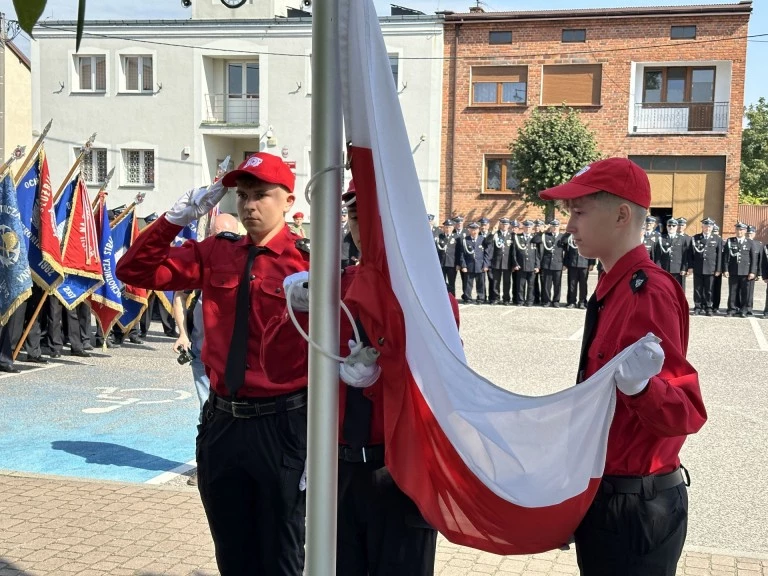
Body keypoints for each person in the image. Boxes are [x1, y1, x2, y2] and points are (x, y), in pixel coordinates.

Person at [116, 153, 310, 576]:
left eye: (262, 195)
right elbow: (133, 269)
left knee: (283, 551)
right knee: (232, 550)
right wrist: (174, 220)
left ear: (288, 201)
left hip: (285, 425)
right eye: (242, 195)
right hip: (223, 422)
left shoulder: (309, 264)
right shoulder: (214, 254)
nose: (249, 205)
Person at [264, 181, 451, 576]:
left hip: (401, 471)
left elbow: (442, 380)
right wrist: (291, 312)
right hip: (339, 470)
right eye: (354, 215)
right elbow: (278, 367)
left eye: (373, 215)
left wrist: (383, 378)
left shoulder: (427, 294)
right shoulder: (333, 287)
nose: (362, 226)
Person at [540, 157, 707, 576]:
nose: (570, 226)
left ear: (620, 214)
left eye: (579, 212)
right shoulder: (613, 289)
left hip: (635, 509)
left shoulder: (645, 293)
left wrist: (642, 389)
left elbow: (684, 413)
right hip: (608, 495)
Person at [688, 217, 721, 316]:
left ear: (712, 228)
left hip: (711, 268)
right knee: (697, 289)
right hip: (698, 268)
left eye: (710, 227)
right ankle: (698, 307)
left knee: (709, 289)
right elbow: (690, 254)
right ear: (702, 227)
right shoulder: (695, 238)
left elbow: (719, 255)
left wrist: (718, 269)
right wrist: (690, 267)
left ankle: (708, 307)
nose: (708, 228)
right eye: (706, 226)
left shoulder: (717, 239)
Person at [723, 222, 757, 318]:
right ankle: (732, 309)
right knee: (733, 291)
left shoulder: (750, 242)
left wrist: (752, 272)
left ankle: (744, 310)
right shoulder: (730, 241)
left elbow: (753, 258)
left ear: (745, 231)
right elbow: (726, 257)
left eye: (741, 230)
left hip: (746, 272)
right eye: (737, 229)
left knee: (745, 292)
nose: (739, 231)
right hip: (733, 271)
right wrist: (725, 269)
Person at [458, 222, 489, 304]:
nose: (474, 231)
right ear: (469, 230)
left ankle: (481, 298)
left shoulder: (482, 239)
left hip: (480, 266)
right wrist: (463, 266)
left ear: (478, 230)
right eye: (472, 229)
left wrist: (486, 265)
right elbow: (462, 255)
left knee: (481, 284)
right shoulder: (465, 240)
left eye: (476, 229)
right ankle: (468, 298)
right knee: (468, 284)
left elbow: (486, 254)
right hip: (469, 266)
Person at [563, 231, 594, 309]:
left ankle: (582, 302)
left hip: (584, 263)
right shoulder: (570, 237)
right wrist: (565, 263)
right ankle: (571, 302)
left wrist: (591, 263)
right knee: (572, 284)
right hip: (572, 264)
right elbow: (567, 250)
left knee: (583, 285)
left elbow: (592, 250)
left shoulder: (588, 236)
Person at [512, 220, 540, 306]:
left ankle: (530, 301)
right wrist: (515, 264)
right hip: (521, 265)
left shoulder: (535, 238)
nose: (528, 229)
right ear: (523, 227)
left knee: (531, 285)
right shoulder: (518, 237)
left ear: (532, 228)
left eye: (529, 227)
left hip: (532, 266)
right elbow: (514, 252)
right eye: (526, 227)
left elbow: (537, 254)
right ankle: (520, 301)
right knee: (520, 285)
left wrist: (537, 265)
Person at [539, 219, 567, 307]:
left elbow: (567, 251)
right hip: (547, 264)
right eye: (553, 226)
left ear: (559, 227)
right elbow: (535, 240)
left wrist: (565, 264)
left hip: (558, 264)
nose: (555, 228)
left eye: (556, 226)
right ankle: (547, 301)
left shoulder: (563, 237)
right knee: (547, 284)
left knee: (557, 284)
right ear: (550, 227)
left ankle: (556, 301)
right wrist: (542, 231)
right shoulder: (545, 236)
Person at [653, 218, 688, 286]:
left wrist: (684, 268)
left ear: (677, 226)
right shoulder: (661, 239)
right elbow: (658, 256)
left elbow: (684, 255)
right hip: (664, 269)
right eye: (669, 225)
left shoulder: (682, 239)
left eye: (673, 225)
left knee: (677, 288)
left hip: (677, 269)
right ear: (666, 227)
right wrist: (658, 268)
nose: (671, 227)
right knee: (664, 288)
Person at [487, 217, 514, 305]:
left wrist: (513, 263)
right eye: (502, 224)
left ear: (509, 225)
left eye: (506, 224)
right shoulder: (496, 234)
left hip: (507, 262)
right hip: (496, 262)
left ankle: (506, 299)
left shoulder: (512, 235)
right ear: (500, 225)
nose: (504, 226)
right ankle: (496, 298)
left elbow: (513, 251)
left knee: (507, 282)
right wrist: (492, 232)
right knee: (496, 282)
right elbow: (487, 242)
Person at [436, 219, 458, 295]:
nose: (448, 229)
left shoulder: (456, 238)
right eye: (446, 227)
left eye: (449, 227)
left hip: (452, 263)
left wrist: (458, 264)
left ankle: (452, 296)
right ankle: (442, 296)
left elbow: (458, 252)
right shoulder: (439, 237)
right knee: (442, 282)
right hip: (441, 263)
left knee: (452, 282)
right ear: (444, 228)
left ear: (453, 228)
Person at [746, 225, 763, 316]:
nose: (749, 235)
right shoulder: (742, 242)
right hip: (741, 270)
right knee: (739, 290)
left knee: (749, 291)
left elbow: (760, 260)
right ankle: (739, 307)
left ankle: (749, 308)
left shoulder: (758, 244)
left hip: (752, 271)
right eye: (748, 233)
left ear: (754, 234)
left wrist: (759, 273)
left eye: (751, 233)